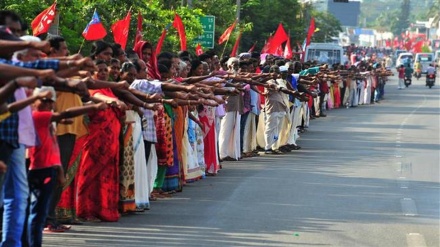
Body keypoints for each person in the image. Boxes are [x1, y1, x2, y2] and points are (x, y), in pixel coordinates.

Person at [28, 86, 106, 246]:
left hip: (49, 167)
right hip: (38, 169)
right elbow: (65, 114)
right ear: (33, 102)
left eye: (51, 100)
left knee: (40, 207)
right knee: (35, 208)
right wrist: (95, 106)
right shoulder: (37, 116)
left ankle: (41, 230)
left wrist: (60, 169)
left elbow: (53, 147)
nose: (49, 103)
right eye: (45, 100)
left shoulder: (49, 120)